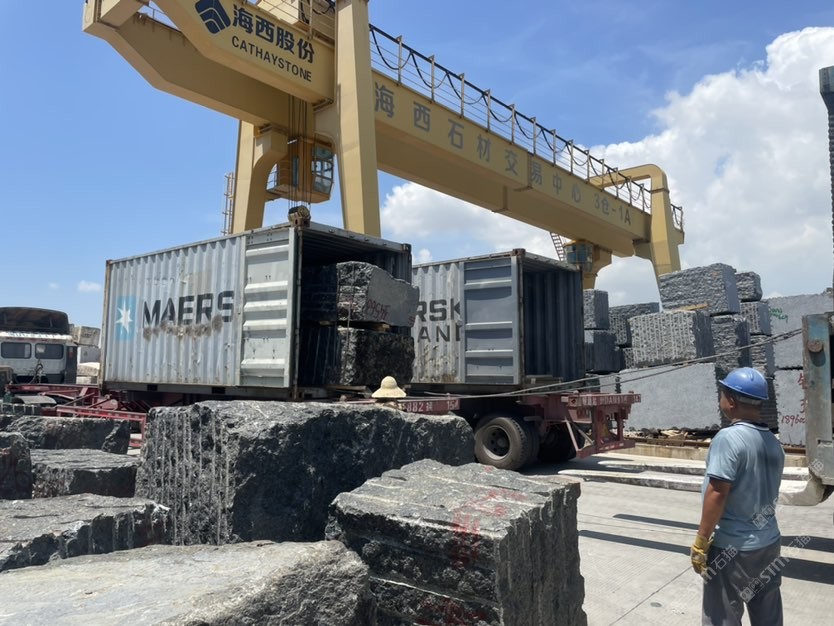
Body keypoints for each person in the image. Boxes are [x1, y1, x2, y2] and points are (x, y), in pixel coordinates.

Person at [691, 367, 786, 625]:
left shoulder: (728, 438)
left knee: (722, 617)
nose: (720, 399)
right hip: (768, 544)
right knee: (768, 616)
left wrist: (701, 541)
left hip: (732, 548)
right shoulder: (773, 443)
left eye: (722, 394)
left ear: (731, 401)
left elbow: (717, 492)